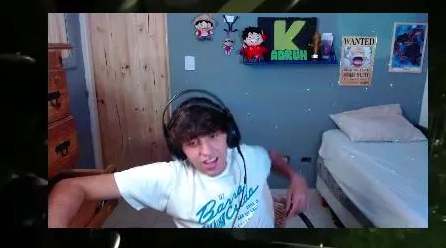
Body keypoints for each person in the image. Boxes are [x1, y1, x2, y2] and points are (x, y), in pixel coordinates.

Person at [47, 92, 308, 229]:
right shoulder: (169, 179)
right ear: (180, 149)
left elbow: (271, 156)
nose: (207, 152)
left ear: (228, 134)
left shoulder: (248, 155)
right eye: (193, 143)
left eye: (213, 136)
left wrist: (295, 177)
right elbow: (71, 186)